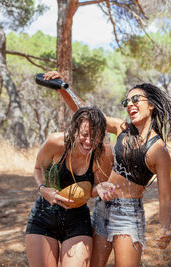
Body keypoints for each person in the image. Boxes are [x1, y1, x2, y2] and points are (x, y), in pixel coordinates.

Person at [43, 71, 171, 267]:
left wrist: (165, 227)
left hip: (128, 215)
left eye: (135, 99)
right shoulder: (122, 128)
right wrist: (62, 89)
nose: (130, 105)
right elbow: (87, 112)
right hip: (102, 209)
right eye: (127, 102)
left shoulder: (159, 150)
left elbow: (165, 197)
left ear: (151, 104)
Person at [25, 107, 113, 267]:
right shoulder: (56, 143)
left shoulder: (103, 153)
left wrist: (99, 189)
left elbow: (93, 189)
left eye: (95, 137)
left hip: (77, 221)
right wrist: (44, 191)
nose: (89, 142)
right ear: (74, 130)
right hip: (43, 217)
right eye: (85, 135)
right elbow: (38, 169)